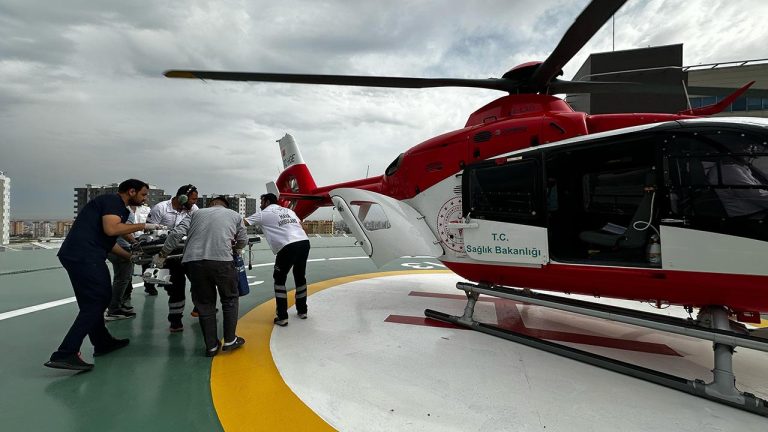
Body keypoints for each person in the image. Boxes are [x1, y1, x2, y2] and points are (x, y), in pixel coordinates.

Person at [45, 179, 165, 371]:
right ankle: (66, 353)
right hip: (85, 256)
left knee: (92, 302)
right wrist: (145, 226)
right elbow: (112, 229)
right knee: (98, 300)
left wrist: (131, 256)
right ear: (131, 191)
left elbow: (108, 241)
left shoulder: (118, 209)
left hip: (79, 255)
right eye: (143, 194)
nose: (145, 198)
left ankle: (102, 342)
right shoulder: (112, 201)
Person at [156, 195, 248, 356]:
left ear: (211, 204)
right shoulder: (234, 215)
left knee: (205, 304)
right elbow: (242, 239)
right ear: (225, 206)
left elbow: (176, 233)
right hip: (222, 261)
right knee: (229, 299)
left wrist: (163, 254)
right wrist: (237, 249)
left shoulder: (195, 213)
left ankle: (211, 346)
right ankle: (230, 339)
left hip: (193, 262)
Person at [245, 193, 310, 326]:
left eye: (261, 202)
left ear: (267, 202)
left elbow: (242, 223)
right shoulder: (289, 211)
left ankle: (282, 316)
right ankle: (302, 311)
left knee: (279, 279)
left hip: (287, 246)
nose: (260, 205)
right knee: (300, 276)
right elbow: (303, 227)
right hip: (304, 242)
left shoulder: (263, 214)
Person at [147, 184, 199, 332]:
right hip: (167, 254)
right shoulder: (160, 208)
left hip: (187, 251)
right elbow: (149, 231)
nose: (195, 202)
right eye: (193, 199)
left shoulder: (193, 210)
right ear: (182, 198)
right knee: (176, 287)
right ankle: (175, 320)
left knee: (199, 281)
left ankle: (200, 307)